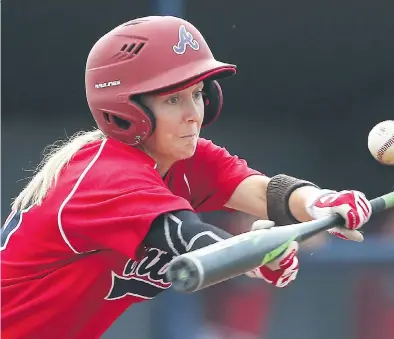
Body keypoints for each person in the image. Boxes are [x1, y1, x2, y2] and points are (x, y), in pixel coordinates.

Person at [1, 16, 372, 339]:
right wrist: (258, 256)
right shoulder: (106, 176)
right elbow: (186, 237)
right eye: (173, 100)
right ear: (124, 110)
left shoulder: (182, 157)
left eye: (196, 94)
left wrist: (317, 200)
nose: (194, 113)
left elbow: (261, 191)